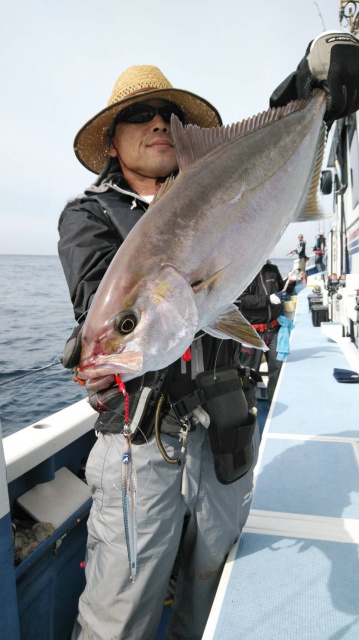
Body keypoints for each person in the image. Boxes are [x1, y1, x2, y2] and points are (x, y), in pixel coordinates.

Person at [58, 30, 359, 640]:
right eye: (136, 117)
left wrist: (307, 99)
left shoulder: (217, 177)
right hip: (141, 446)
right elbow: (104, 306)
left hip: (225, 432)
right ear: (112, 144)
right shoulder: (88, 216)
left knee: (213, 594)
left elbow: (246, 285)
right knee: (122, 615)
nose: (157, 125)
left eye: (166, 114)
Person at [238, 261, 294, 405]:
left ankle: (274, 406)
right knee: (248, 373)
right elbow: (243, 299)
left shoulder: (273, 270)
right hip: (252, 333)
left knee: (277, 369)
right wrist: (268, 299)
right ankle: (248, 409)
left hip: (274, 330)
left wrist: (291, 281)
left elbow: (283, 292)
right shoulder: (244, 271)